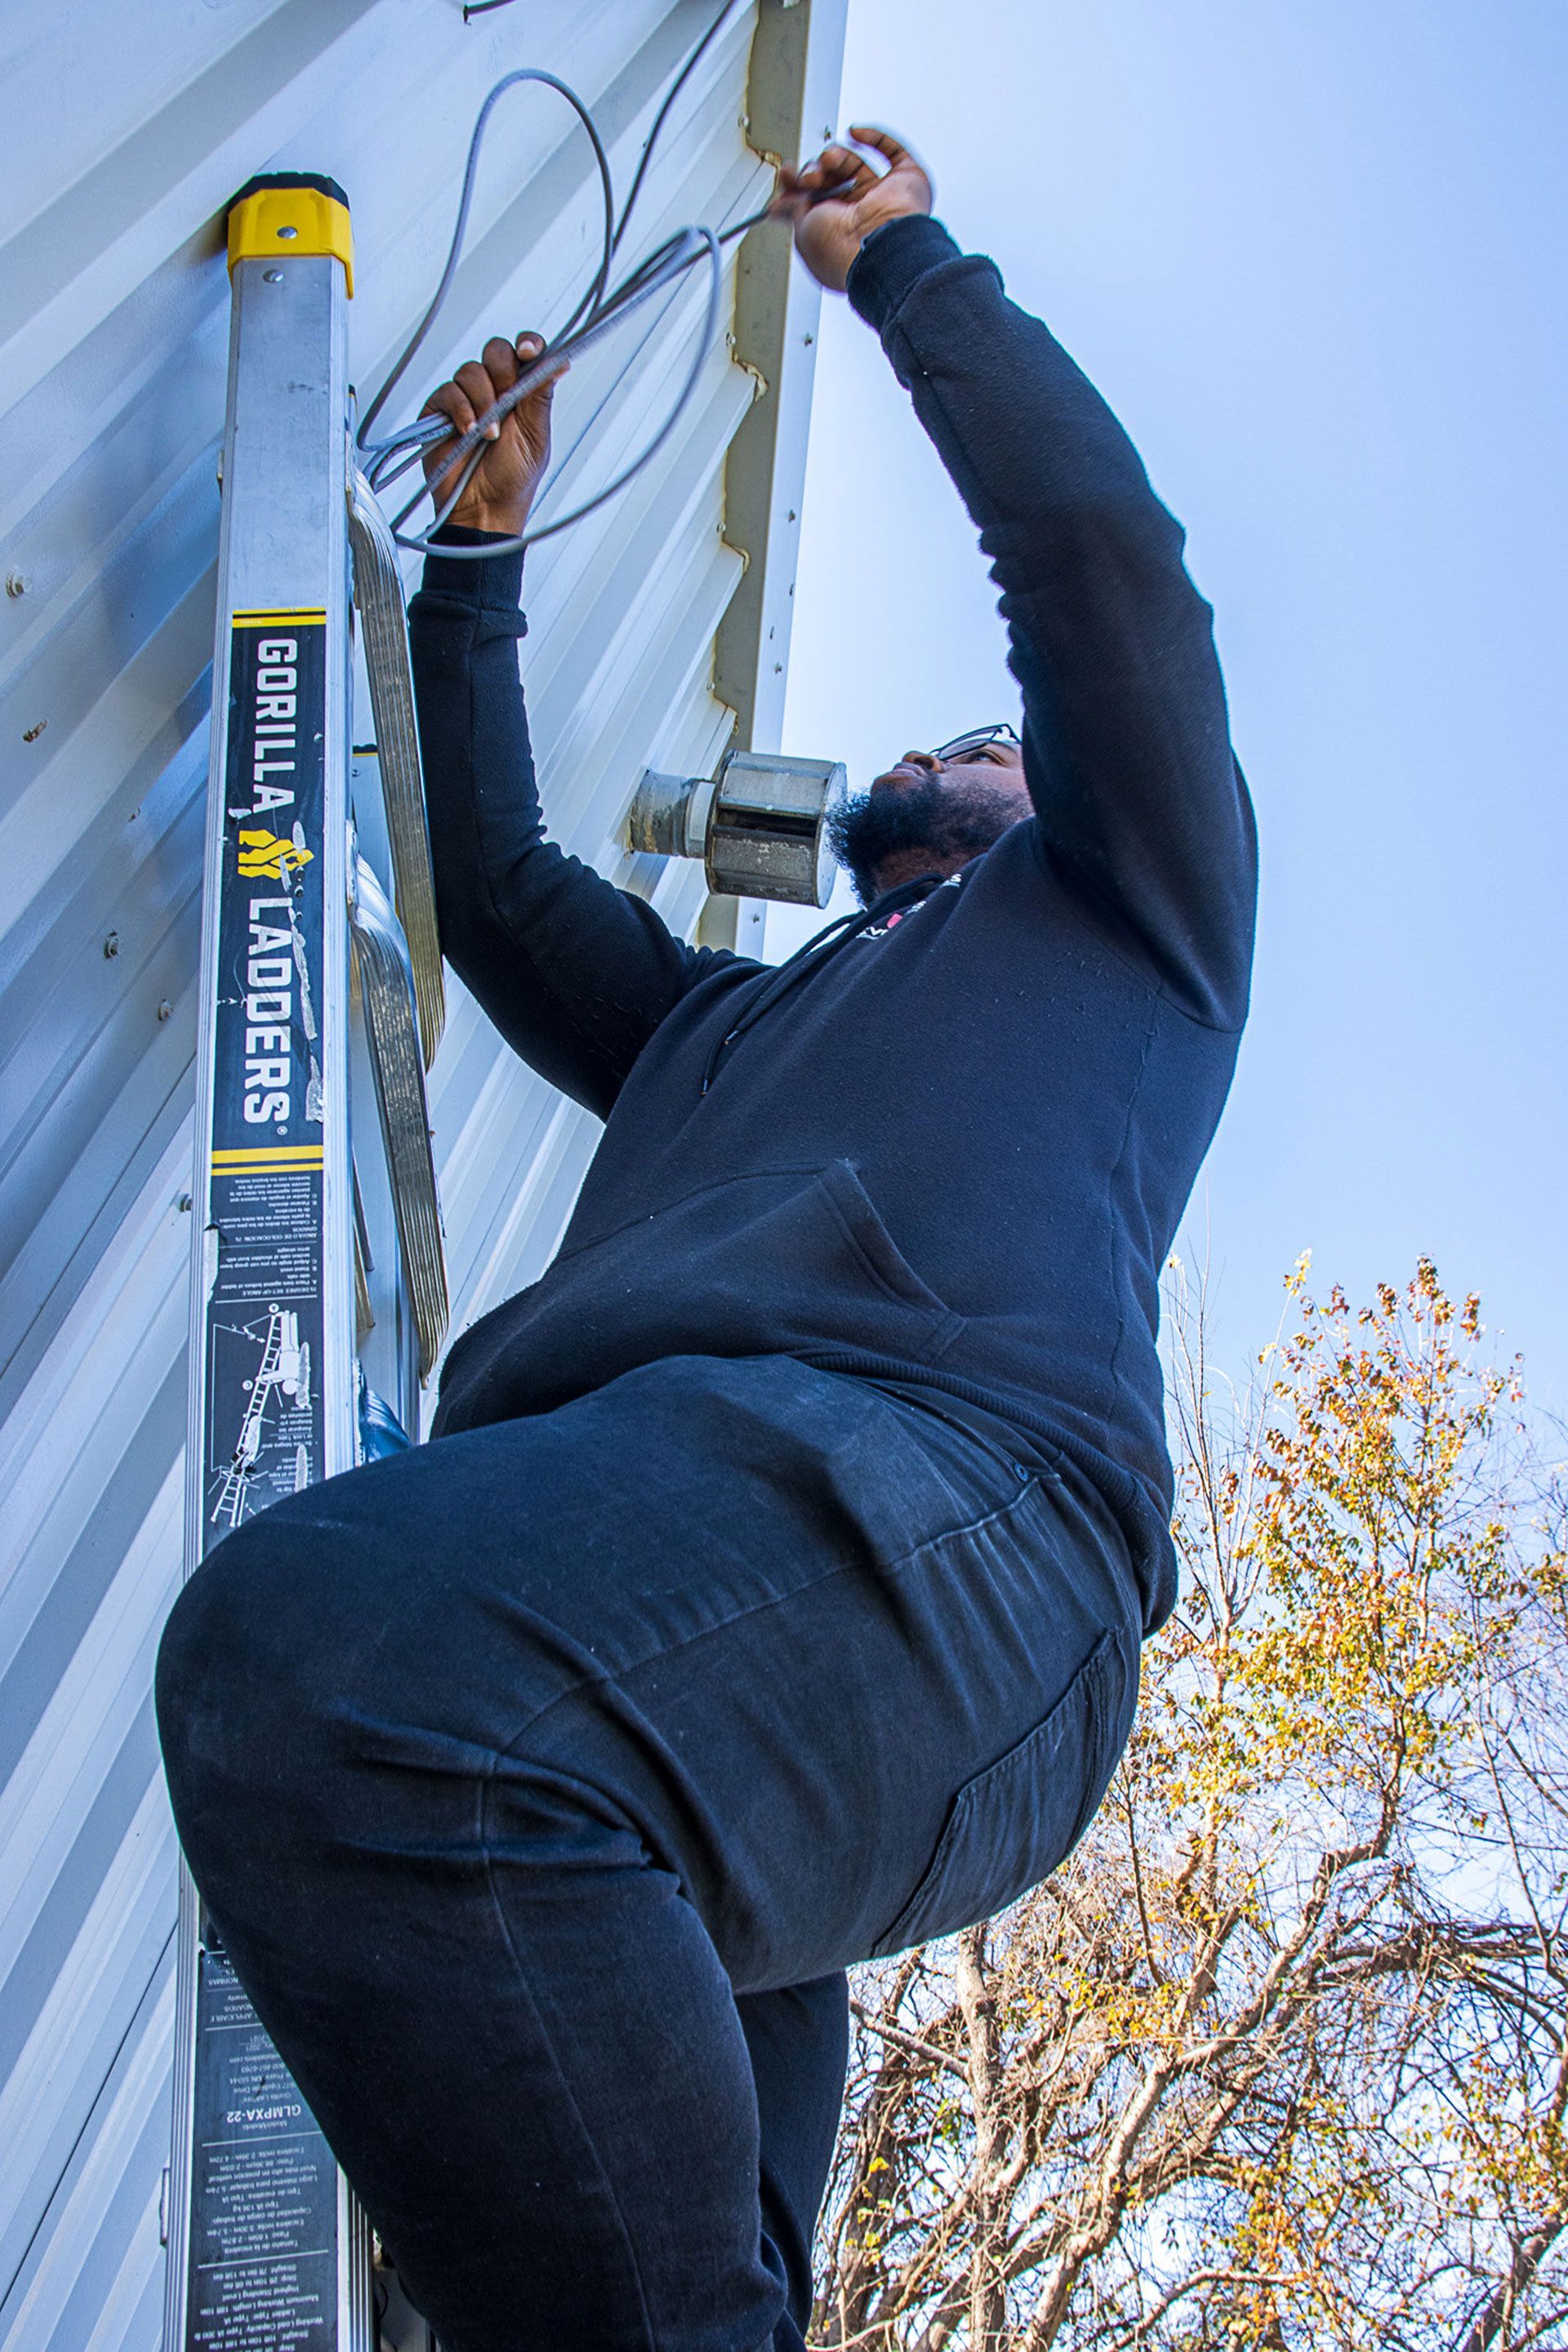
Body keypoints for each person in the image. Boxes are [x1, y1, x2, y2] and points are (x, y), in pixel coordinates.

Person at [157, 126, 1257, 2352]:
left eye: (988, 740)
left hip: (946, 1522)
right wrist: (481, 563)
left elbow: (1109, 580)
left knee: (341, 1669)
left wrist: (911, 274)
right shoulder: (724, 1026)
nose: (946, 744)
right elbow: (498, 894)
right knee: (651, 2267)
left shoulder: (1133, 915)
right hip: (689, 1581)